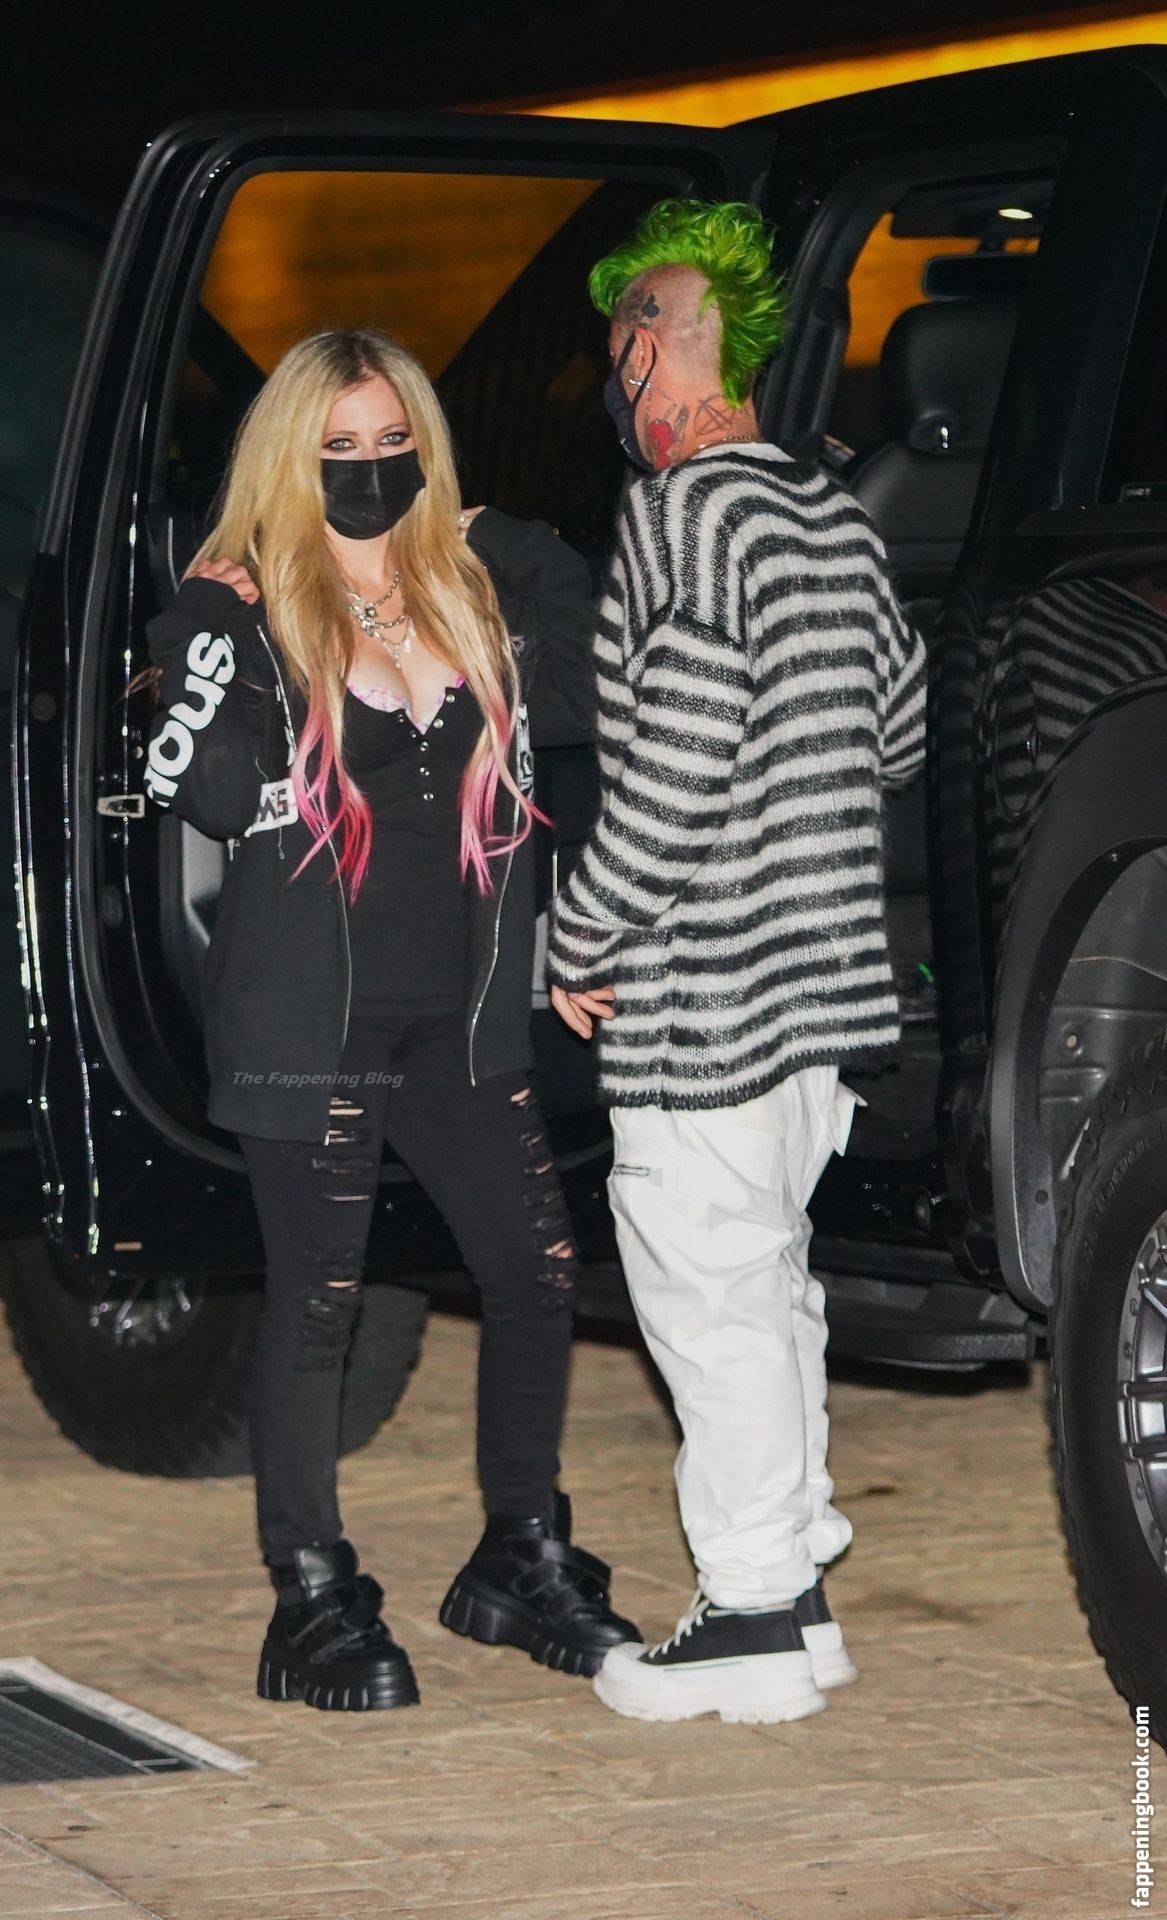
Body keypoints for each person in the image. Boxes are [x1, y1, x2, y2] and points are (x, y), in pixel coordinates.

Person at [140, 328, 640, 1713]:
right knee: (322, 1304)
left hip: (459, 1017)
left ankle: (519, 1552)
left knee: (537, 1272)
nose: (369, 471)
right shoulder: (243, 612)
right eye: (339, 450)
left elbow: (599, 664)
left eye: (391, 444)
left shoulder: (472, 595)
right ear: (289, 461)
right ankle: (308, 1595)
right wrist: (205, 624)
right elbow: (202, 783)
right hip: (314, 1020)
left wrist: (495, 532)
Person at [547, 200, 927, 1725]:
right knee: (770, 1287)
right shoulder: (834, 516)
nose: (612, 386)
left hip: (703, 993)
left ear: (653, 348)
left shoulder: (683, 516)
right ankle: (799, 1595)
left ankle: (756, 1612)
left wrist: (580, 930)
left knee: (709, 1299)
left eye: (615, 350)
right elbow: (896, 729)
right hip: (822, 998)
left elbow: (679, 764)